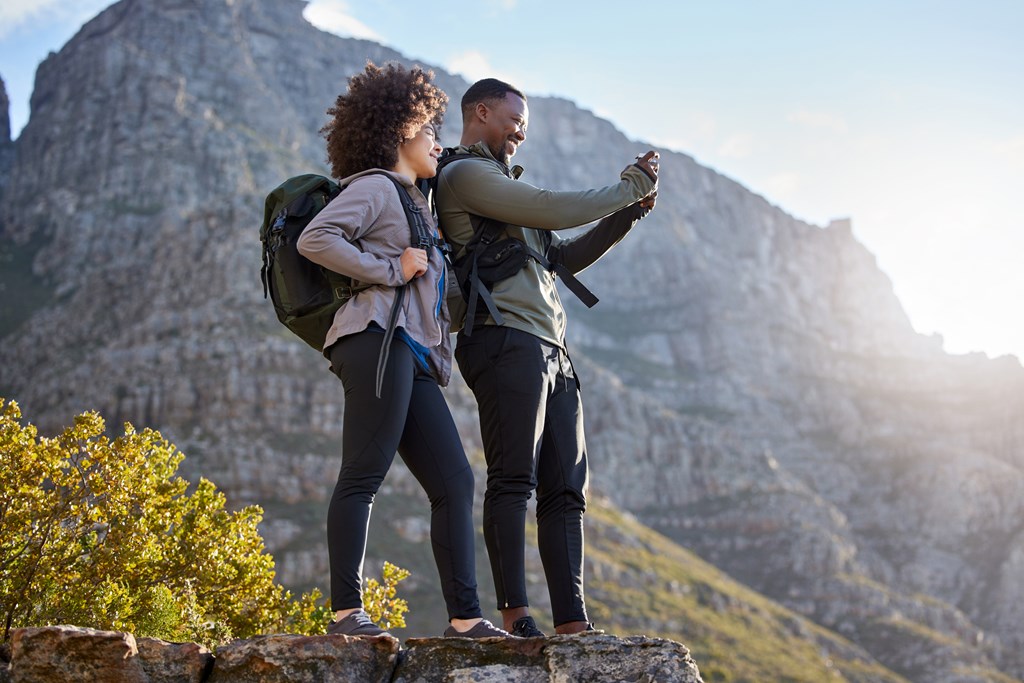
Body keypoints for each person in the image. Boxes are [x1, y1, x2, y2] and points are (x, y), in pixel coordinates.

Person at [433, 78, 659, 637]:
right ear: (480, 112)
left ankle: (572, 624)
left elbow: (565, 254)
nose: (521, 132)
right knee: (514, 479)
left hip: (551, 348)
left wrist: (628, 214)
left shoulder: (503, 189)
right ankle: (516, 616)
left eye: (525, 125)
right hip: (504, 338)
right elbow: (553, 210)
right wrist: (627, 185)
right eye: (514, 120)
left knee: (566, 490)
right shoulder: (465, 175)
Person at [297, 62, 508, 639]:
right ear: (400, 132)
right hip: (375, 342)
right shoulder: (374, 187)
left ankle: (465, 620)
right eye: (428, 131)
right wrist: (390, 268)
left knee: (455, 482)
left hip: (410, 352)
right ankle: (346, 615)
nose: (437, 142)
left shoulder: (420, 203)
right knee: (364, 473)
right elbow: (314, 238)